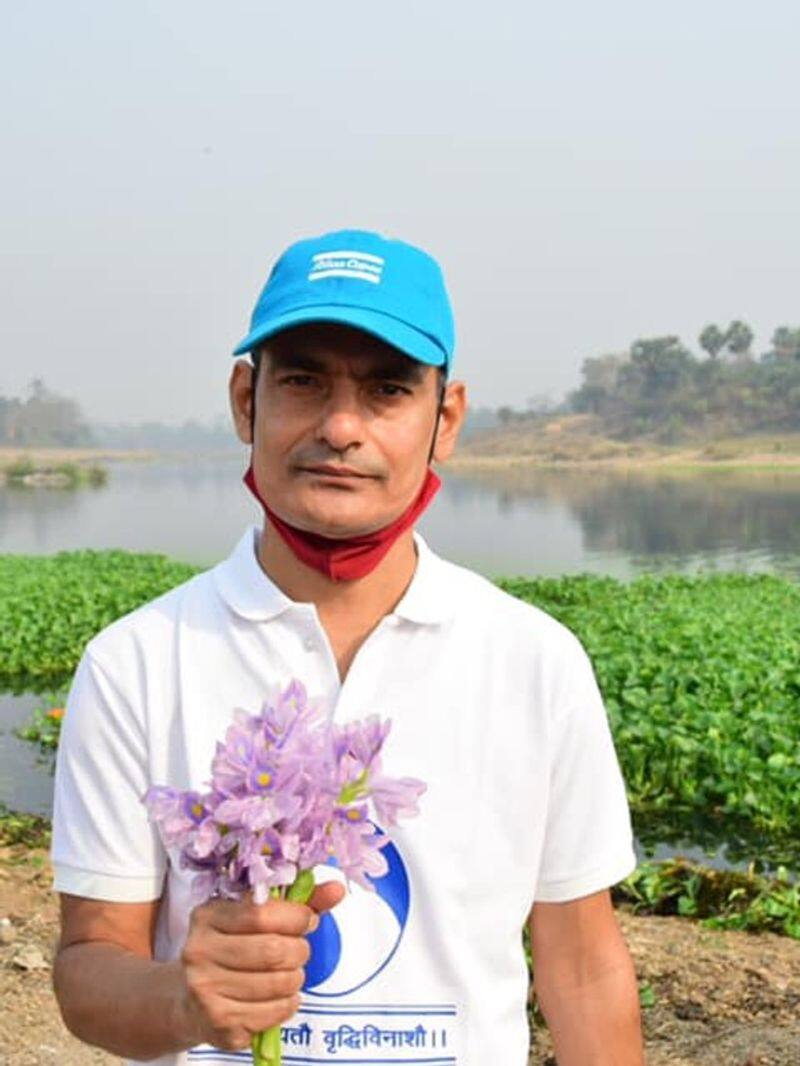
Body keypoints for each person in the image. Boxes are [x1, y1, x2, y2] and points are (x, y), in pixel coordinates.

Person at [50, 228, 645, 1065]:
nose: (339, 426)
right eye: (301, 381)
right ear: (244, 401)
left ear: (447, 420)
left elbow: (582, 967)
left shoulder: (533, 661)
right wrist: (184, 1000)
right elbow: (90, 969)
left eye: (387, 390)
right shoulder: (136, 662)